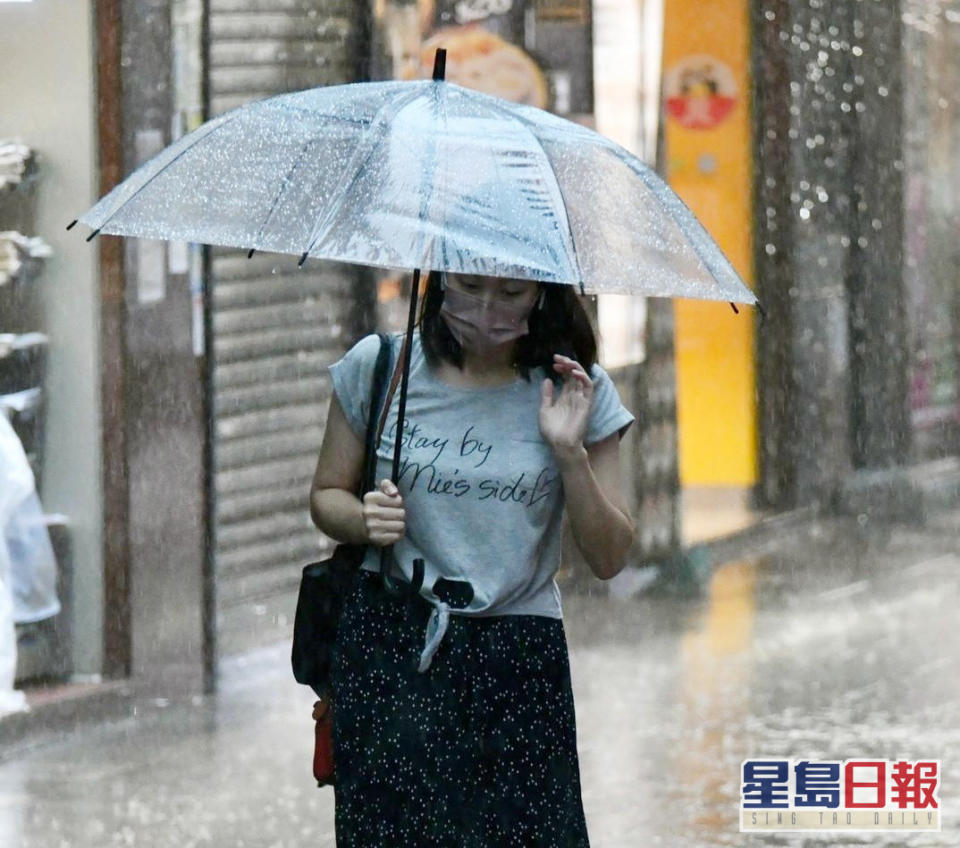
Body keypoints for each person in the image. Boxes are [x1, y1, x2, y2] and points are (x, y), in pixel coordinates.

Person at [309, 270, 636, 847]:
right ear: (438, 281)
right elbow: (324, 495)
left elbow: (610, 555)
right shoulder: (380, 369)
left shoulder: (579, 390)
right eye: (469, 287)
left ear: (541, 294)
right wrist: (363, 519)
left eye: (510, 294)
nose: (488, 310)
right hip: (393, 652)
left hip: (518, 664)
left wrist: (569, 454)